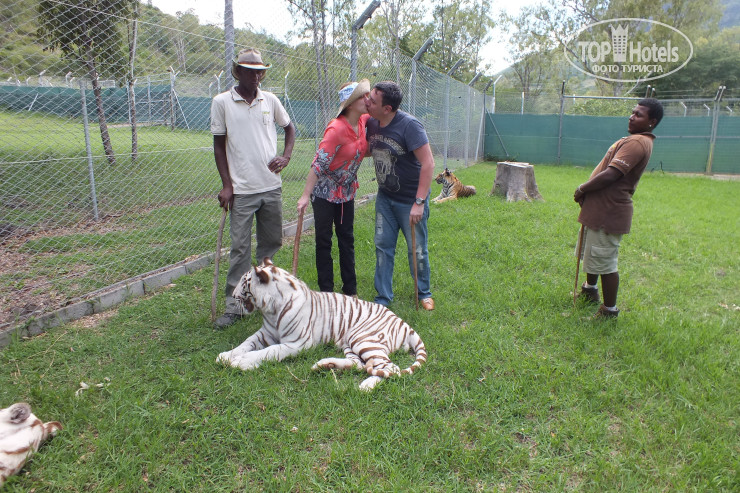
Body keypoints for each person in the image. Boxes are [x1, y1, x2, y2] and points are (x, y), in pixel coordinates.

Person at [210, 48, 296, 329]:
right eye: (250, 71)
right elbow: (219, 146)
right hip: (242, 190)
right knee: (240, 249)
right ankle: (235, 306)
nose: (256, 76)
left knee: (270, 244)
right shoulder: (222, 102)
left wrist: (286, 156)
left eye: (260, 71)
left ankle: (265, 295)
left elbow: (289, 128)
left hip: (271, 186)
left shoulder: (270, 99)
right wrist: (227, 185)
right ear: (238, 72)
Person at [574, 98, 663, 319]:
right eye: (632, 112)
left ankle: (609, 311)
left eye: (639, 115)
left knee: (605, 261)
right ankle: (589, 291)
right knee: (592, 253)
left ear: (652, 122)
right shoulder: (635, 139)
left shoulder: (638, 142)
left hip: (609, 211)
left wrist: (582, 188)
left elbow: (612, 174)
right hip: (599, 209)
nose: (632, 117)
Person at [365, 81, 435, 310]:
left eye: (372, 101)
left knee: (417, 249)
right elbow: (367, 149)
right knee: (383, 246)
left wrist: (419, 202)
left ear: (387, 108)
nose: (367, 102)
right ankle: (383, 298)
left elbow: (428, 163)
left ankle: (424, 293)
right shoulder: (371, 122)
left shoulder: (410, 126)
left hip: (411, 200)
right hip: (385, 197)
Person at [297, 79, 371, 297]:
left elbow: (383, 114)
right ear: (350, 104)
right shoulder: (336, 129)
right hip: (324, 194)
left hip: (346, 192)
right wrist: (305, 195)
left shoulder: (363, 121)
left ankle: (350, 291)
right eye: (362, 97)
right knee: (324, 241)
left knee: (346, 238)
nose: (367, 99)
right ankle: (326, 293)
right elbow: (319, 163)